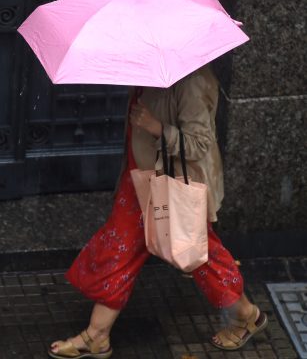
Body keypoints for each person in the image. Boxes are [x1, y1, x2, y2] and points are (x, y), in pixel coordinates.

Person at [48, 65, 268, 359]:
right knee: (119, 247)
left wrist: (157, 128)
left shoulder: (192, 81)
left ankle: (245, 314)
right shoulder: (148, 69)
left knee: (197, 254)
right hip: (140, 176)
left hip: (173, 183)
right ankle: (97, 335)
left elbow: (199, 143)